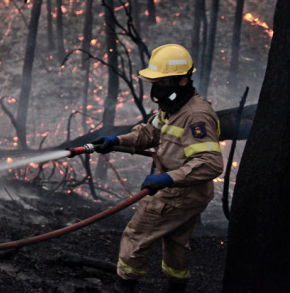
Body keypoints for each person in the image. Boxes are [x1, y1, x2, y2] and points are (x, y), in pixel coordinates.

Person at [92, 43, 223, 293]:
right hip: (187, 192)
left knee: (135, 235)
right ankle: (176, 287)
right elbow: (151, 132)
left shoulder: (196, 116)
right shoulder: (174, 108)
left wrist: (167, 180)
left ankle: (124, 286)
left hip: (177, 193)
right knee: (176, 241)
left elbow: (210, 163)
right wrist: (117, 141)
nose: (156, 88)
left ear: (182, 81)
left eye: (162, 82)